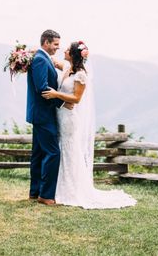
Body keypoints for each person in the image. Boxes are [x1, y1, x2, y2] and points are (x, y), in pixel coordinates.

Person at [42, 41, 136, 209]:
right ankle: (59, 188)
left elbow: (77, 99)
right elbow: (51, 59)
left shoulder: (80, 75)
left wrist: (56, 94)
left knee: (69, 151)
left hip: (69, 118)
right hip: (61, 114)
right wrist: (28, 54)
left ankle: (71, 191)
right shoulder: (67, 68)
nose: (63, 50)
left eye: (67, 49)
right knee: (62, 150)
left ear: (72, 54)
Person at [26, 29, 73, 206]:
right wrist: (62, 103)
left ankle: (35, 191)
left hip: (40, 113)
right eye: (55, 45)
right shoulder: (39, 59)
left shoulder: (42, 57)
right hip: (43, 114)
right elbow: (43, 89)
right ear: (46, 42)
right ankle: (45, 195)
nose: (57, 48)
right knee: (53, 152)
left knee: (38, 153)